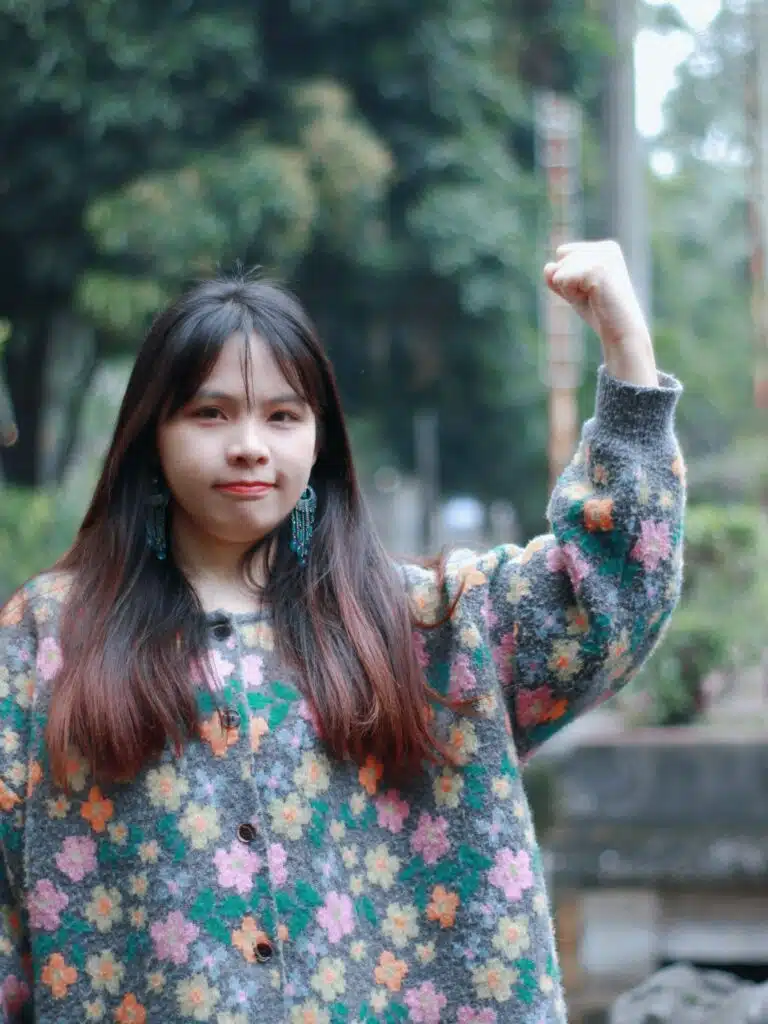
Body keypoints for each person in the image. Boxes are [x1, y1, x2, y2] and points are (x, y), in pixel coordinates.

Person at [0, 240, 684, 1024]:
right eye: (210, 412)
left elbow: (607, 596)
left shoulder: (427, 627)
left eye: (282, 415)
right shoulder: (48, 638)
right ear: (151, 435)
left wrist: (626, 347)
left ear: (319, 439)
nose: (249, 443)